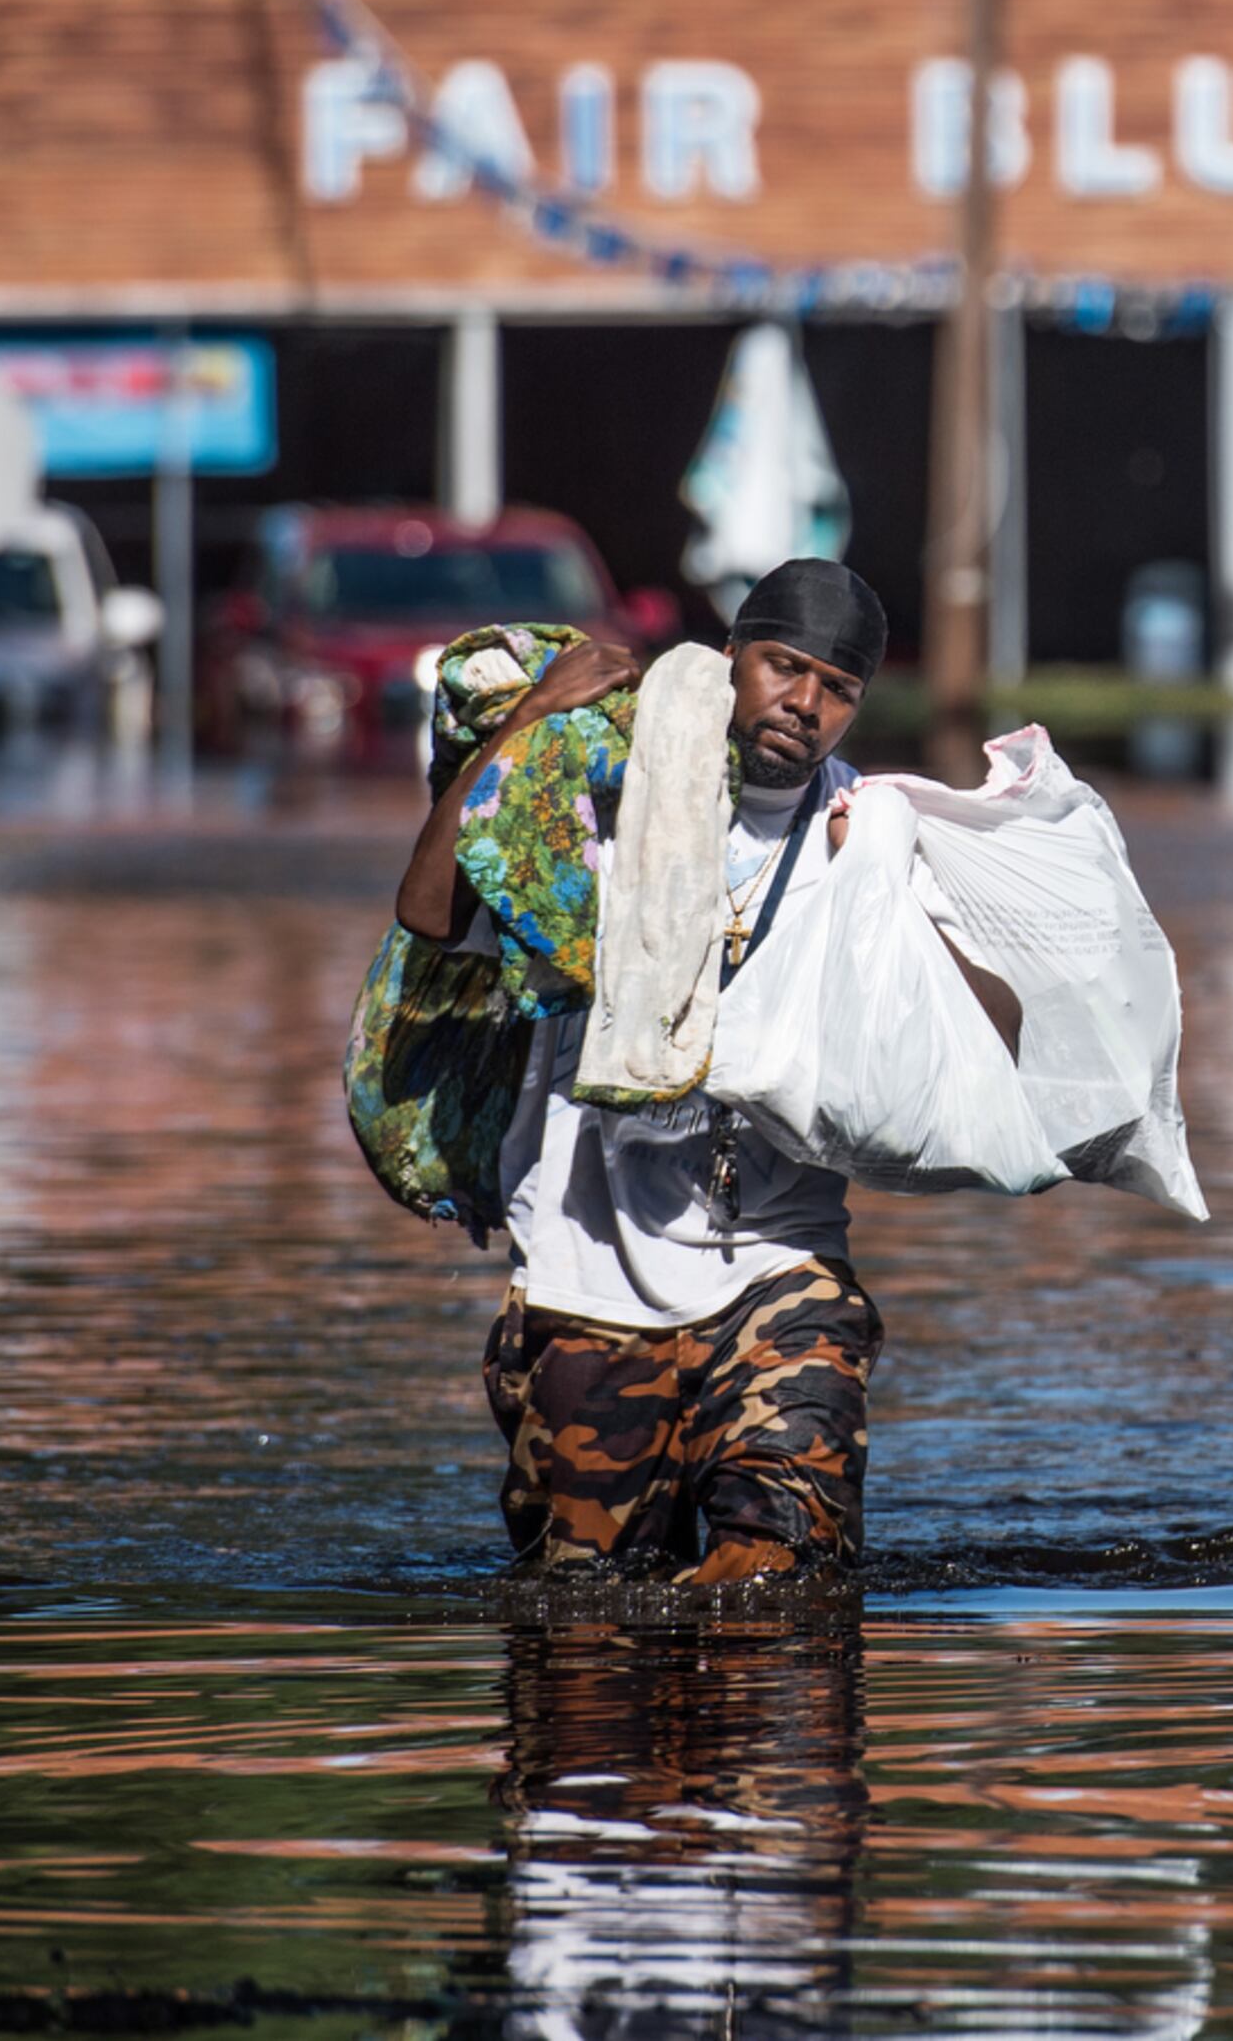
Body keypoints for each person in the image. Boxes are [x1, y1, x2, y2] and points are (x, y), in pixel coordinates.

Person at [391, 558, 1015, 1585]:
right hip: (585, 1277)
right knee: (584, 1626)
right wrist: (530, 721)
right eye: (784, 666)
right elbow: (432, 914)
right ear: (730, 658)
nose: (805, 704)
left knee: (783, 1586)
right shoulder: (598, 783)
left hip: (780, 1266)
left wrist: (888, 914)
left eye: (839, 688)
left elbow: (998, 1026)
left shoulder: (872, 831)